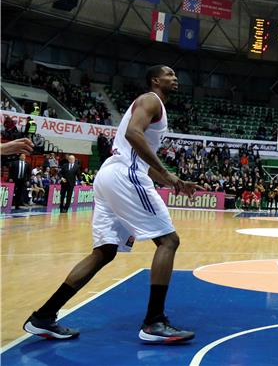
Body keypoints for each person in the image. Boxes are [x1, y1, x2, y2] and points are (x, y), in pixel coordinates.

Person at [24, 65, 198, 343]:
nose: (175, 77)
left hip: (110, 176)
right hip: (124, 176)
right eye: (169, 74)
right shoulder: (151, 100)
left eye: (176, 74)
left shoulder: (153, 106)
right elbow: (132, 134)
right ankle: (154, 322)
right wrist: (165, 173)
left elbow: (138, 153)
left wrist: (173, 181)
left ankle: (43, 316)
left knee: (103, 252)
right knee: (168, 241)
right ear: (155, 79)